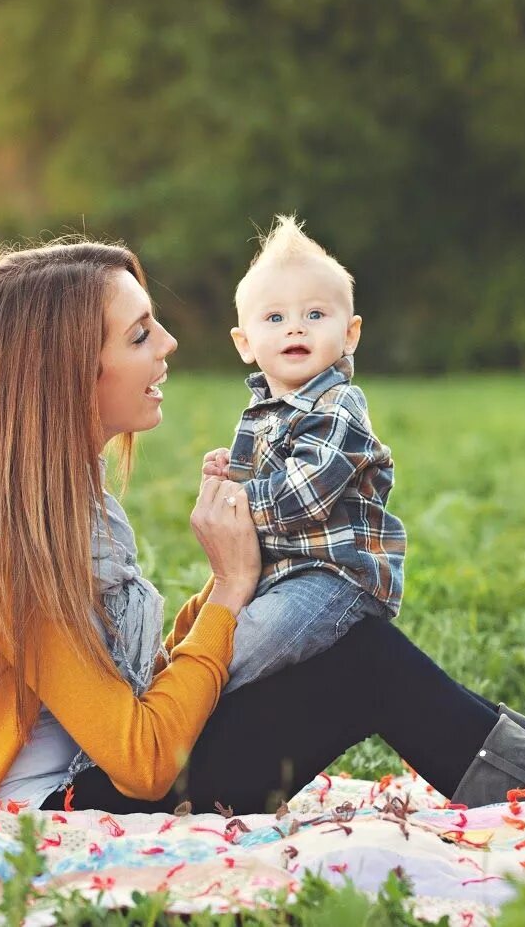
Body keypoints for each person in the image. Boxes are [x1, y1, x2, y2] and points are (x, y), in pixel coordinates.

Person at [0, 239, 525, 815]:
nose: (168, 344)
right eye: (139, 334)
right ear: (66, 371)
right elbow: (141, 761)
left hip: (86, 778)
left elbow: (114, 692)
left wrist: (223, 595)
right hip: (62, 812)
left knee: (357, 654)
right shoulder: (19, 547)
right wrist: (233, 590)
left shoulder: (38, 502)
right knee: (364, 663)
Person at [199, 216, 406, 693]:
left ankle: (178, 724)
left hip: (334, 578)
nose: (295, 327)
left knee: (240, 651)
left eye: (315, 315)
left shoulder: (339, 405)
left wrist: (236, 504)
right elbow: (260, 479)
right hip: (278, 576)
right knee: (214, 638)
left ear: (350, 334)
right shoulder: (261, 412)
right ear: (245, 343)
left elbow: (307, 495)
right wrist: (228, 476)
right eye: (275, 318)